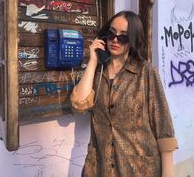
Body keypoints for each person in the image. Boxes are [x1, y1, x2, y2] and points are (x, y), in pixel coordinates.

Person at [70, 10, 178, 177]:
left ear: (133, 40)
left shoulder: (146, 73)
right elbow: (79, 105)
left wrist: (168, 174)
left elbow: (163, 126)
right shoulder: (98, 73)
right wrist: (93, 61)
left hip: (139, 169)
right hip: (100, 168)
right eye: (111, 33)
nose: (115, 40)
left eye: (123, 37)